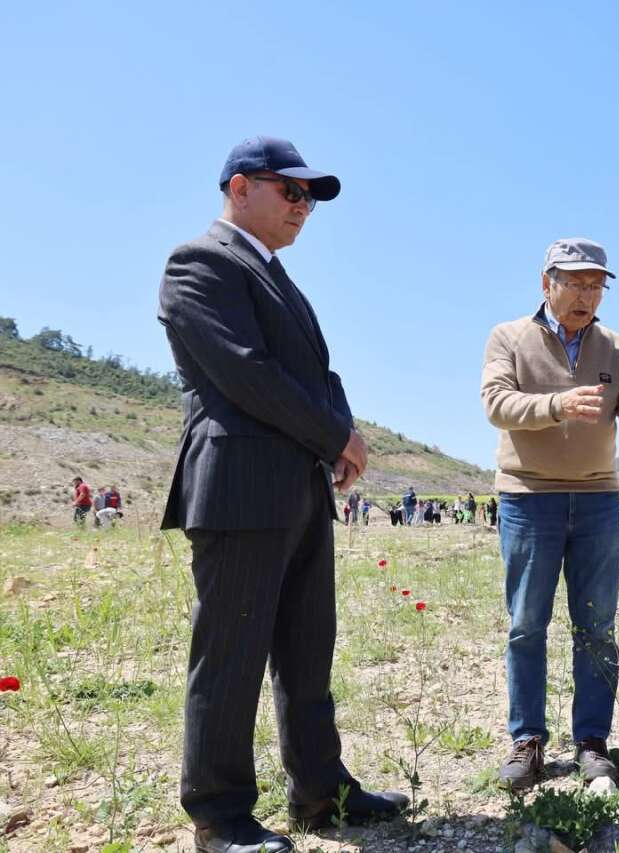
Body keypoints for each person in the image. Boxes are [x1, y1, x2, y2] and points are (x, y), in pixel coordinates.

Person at [157, 136, 406, 852]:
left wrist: (345, 430)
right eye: (289, 190)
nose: (303, 207)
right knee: (230, 653)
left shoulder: (278, 278)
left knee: (307, 649)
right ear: (240, 188)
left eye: (309, 198)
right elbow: (247, 373)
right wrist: (336, 436)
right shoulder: (199, 263)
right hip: (238, 487)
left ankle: (320, 789)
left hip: (298, 486)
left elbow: (315, 375)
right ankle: (220, 812)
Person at [481, 236, 619, 792]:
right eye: (576, 283)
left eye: (596, 285)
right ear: (547, 284)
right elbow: (496, 404)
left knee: (597, 627)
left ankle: (592, 743)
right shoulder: (509, 337)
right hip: (527, 498)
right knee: (525, 625)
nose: (588, 294)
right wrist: (556, 405)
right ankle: (528, 741)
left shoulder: (614, 345)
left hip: (596, 501)